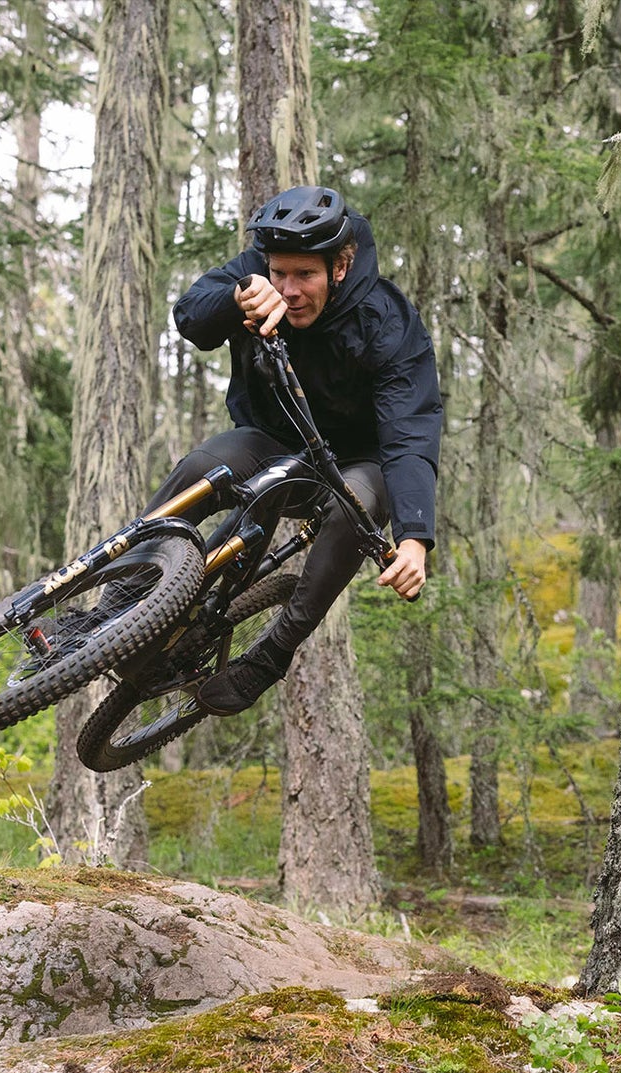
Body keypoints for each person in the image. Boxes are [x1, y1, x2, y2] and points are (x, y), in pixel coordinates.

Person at [160, 185, 441, 715]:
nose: (288, 290)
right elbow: (191, 317)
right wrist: (237, 296)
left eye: (304, 276)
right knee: (200, 468)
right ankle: (118, 606)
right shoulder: (255, 272)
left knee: (349, 509)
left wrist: (414, 540)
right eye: (278, 273)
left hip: (360, 463)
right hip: (272, 438)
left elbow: (410, 433)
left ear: (340, 265)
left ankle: (269, 656)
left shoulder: (387, 321)